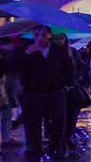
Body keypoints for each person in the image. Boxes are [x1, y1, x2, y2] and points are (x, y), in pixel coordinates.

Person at [21, 27, 72, 158]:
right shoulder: (26, 49)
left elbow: (69, 70)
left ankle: (56, 147)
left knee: (58, 122)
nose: (40, 37)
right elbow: (12, 65)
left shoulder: (59, 51)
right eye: (37, 35)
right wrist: (27, 54)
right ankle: (35, 149)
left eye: (43, 34)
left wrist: (62, 84)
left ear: (49, 35)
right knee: (33, 124)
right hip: (33, 94)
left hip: (55, 94)